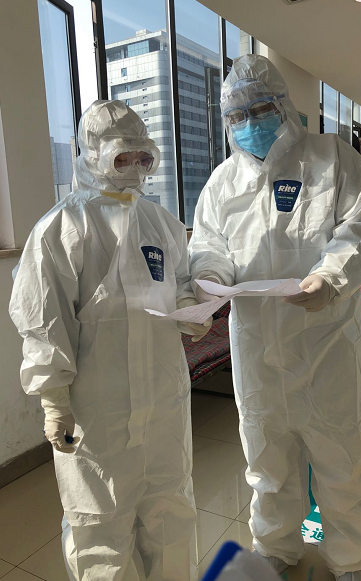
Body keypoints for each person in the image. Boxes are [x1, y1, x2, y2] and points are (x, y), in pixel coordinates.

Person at [189, 55, 361, 581]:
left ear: (283, 106)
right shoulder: (223, 182)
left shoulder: (332, 158)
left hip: (326, 341)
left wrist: (331, 277)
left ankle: (352, 560)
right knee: (267, 462)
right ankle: (276, 546)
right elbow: (208, 244)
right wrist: (208, 277)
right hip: (257, 348)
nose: (249, 123)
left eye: (259, 110)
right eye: (237, 115)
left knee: (342, 457)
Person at [9, 100, 210, 581]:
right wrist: (54, 400)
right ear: (93, 153)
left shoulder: (160, 222)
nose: (136, 167)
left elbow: (182, 279)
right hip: (97, 410)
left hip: (163, 401)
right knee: (99, 526)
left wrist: (190, 307)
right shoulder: (62, 227)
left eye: (144, 157)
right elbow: (43, 320)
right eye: (124, 156)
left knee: (170, 511)